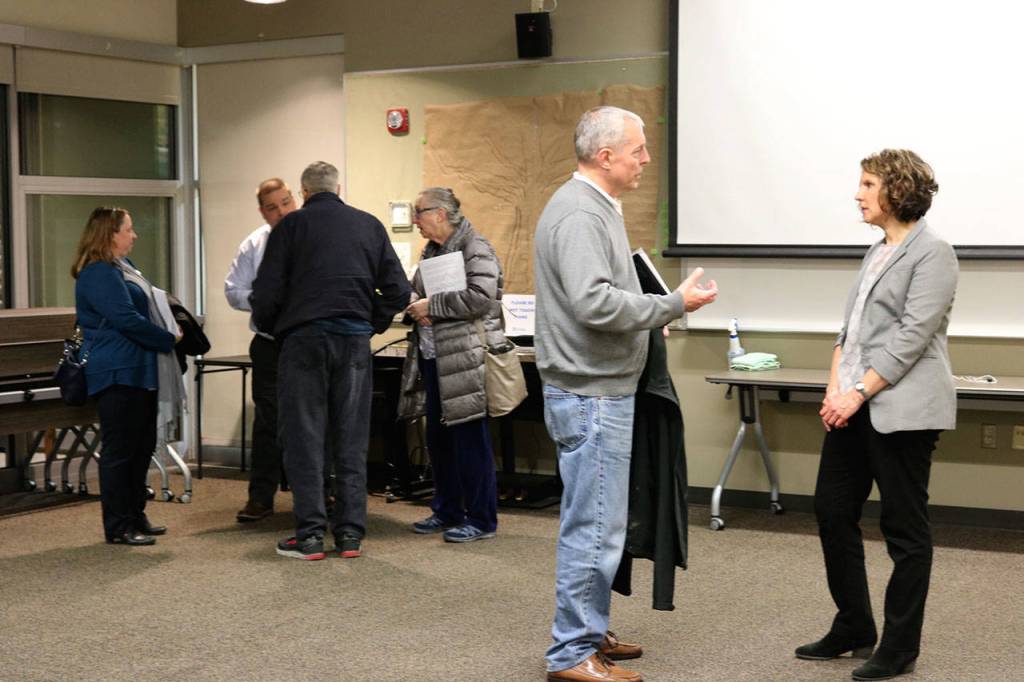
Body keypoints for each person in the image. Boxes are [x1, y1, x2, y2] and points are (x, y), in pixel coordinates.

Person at [534, 106, 717, 682]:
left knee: (599, 520)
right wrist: (670, 305)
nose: (645, 159)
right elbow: (594, 303)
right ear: (605, 155)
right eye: (637, 149)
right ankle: (571, 653)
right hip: (592, 395)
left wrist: (649, 312)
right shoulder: (580, 215)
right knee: (592, 526)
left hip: (600, 389)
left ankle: (589, 632)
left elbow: (606, 295)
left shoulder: (595, 208)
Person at [795, 150, 958, 682]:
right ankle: (854, 626)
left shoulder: (934, 253)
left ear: (897, 189)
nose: (858, 193)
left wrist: (855, 393)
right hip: (854, 403)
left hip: (903, 409)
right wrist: (833, 387)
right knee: (831, 510)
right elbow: (853, 330)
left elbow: (910, 339)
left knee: (903, 529)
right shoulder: (877, 251)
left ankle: (899, 646)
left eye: (867, 184)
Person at [251, 161, 410, 561]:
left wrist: (280, 327)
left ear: (304, 193)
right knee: (351, 437)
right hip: (353, 343)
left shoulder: (290, 228)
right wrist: (368, 323)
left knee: (305, 438)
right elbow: (398, 290)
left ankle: (308, 536)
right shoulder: (369, 225)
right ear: (339, 188)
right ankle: (351, 535)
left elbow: (266, 294)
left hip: (303, 341)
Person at [72, 207, 180, 546]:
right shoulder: (98, 274)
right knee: (120, 450)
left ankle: (136, 515)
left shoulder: (124, 268)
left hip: (140, 368)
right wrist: (169, 339)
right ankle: (118, 526)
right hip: (117, 371)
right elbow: (126, 319)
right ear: (110, 234)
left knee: (141, 445)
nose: (134, 236)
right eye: (128, 230)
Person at [401, 187, 503, 543]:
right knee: (439, 439)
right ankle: (446, 510)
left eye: (419, 213)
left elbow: (481, 297)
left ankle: (481, 519)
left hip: (466, 359)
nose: (415, 221)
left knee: (470, 441)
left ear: (440, 213)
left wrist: (433, 307)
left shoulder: (476, 247)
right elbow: (414, 290)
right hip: (433, 357)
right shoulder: (432, 250)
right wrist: (416, 304)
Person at [224, 178, 297, 523]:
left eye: (285, 202)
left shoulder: (314, 236)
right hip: (269, 345)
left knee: (316, 418)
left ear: (294, 199)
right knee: (268, 422)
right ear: (262, 211)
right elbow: (233, 291)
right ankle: (260, 498)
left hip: (306, 345)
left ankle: (320, 493)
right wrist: (260, 299)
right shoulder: (255, 244)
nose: (281, 211)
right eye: (272, 207)